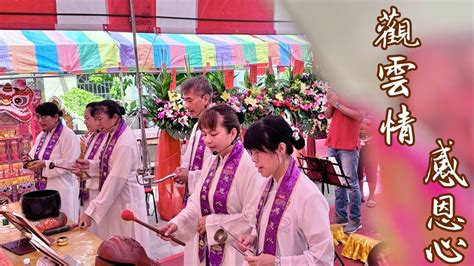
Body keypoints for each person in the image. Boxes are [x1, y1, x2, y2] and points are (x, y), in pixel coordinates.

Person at [158, 104, 264, 266]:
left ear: (233, 133)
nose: (207, 140)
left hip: (233, 250)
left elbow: (252, 219)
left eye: (213, 134)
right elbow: (196, 203)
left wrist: (211, 222)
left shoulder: (248, 166)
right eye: (205, 134)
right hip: (205, 244)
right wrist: (177, 223)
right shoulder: (212, 161)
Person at [238, 115, 334, 265]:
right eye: (251, 153)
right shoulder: (266, 184)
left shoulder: (308, 195)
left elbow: (322, 258)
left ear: (281, 148)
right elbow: (272, 228)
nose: (253, 159)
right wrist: (254, 237)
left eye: (258, 152)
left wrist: (277, 262)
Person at [73, 100, 150, 254]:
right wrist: (91, 165)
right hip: (116, 202)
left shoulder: (124, 142)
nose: (97, 123)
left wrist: (91, 211)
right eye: (95, 119)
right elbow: (108, 165)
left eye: (100, 119)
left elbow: (115, 180)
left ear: (114, 118)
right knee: (114, 245)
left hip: (125, 202)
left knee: (126, 247)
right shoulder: (112, 134)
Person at [25, 102, 80, 222]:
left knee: (64, 219)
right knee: (46, 220)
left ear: (56, 117)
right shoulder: (41, 136)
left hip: (62, 185)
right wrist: (29, 161)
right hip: (44, 185)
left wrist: (44, 164)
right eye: (38, 117)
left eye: (44, 117)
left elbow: (70, 162)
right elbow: (34, 155)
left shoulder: (68, 135)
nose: (40, 121)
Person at [325, 87, 364, 234]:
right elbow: (327, 115)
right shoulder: (336, 90)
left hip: (348, 144)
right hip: (333, 142)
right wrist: (329, 101)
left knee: (351, 184)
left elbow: (360, 115)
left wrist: (337, 104)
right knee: (337, 182)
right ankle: (341, 216)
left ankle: (356, 219)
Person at [174, 76, 214, 200]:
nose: (186, 105)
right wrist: (182, 171)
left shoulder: (218, 125)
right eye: (184, 100)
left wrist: (190, 176)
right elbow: (189, 157)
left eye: (189, 100)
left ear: (205, 99)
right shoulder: (198, 125)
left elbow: (218, 167)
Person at [78, 101, 107, 236]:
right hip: (88, 188)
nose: (85, 122)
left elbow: (106, 165)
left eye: (87, 118)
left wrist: (87, 167)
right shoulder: (91, 137)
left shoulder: (108, 137)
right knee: (93, 232)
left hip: (100, 190)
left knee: (101, 231)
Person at [358, 112, 378, 208]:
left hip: (372, 145)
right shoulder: (356, 107)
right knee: (357, 170)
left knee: (371, 170)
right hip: (356, 144)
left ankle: (371, 196)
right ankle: (360, 193)